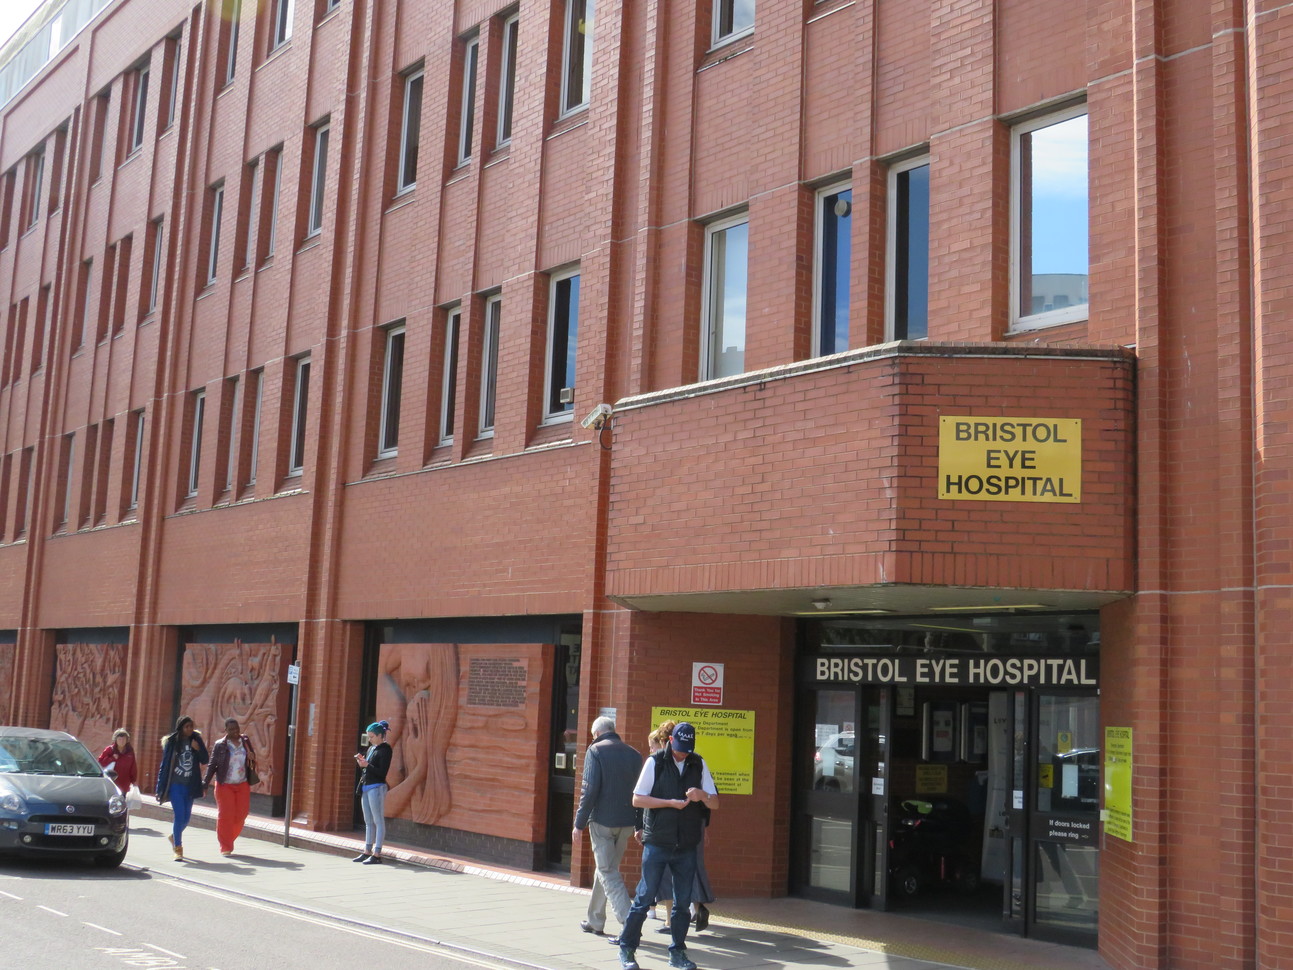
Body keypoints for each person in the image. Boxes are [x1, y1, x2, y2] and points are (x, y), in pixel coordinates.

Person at [617, 722, 719, 970]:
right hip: (658, 842)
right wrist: (669, 803)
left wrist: (702, 796)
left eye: (688, 748)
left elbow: (715, 803)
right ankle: (627, 949)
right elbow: (637, 798)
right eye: (680, 747)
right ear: (670, 740)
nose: (683, 753)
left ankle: (678, 952)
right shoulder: (655, 762)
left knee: (682, 902)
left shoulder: (698, 763)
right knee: (644, 896)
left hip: (686, 844)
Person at [572, 715, 642, 937]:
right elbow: (640, 793)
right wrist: (639, 824)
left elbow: (589, 791)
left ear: (597, 734)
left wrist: (578, 823)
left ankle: (629, 923)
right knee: (605, 869)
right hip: (627, 823)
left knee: (607, 871)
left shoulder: (596, 751)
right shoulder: (634, 754)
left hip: (602, 821)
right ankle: (595, 921)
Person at [155, 715, 209, 861]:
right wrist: (160, 787)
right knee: (179, 816)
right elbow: (164, 765)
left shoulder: (196, 740)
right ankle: (178, 848)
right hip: (175, 785)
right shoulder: (172, 742)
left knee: (186, 818)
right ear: (181, 728)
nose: (190, 729)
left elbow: (205, 760)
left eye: (191, 726)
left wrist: (197, 749)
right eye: (187, 727)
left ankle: (174, 836)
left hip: (190, 785)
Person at [203, 717, 256, 857]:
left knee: (241, 814)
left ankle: (228, 838)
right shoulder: (220, 744)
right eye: (231, 729)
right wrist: (205, 783)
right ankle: (225, 846)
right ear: (225, 730)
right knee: (225, 815)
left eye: (237, 728)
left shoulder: (245, 741)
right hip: (224, 784)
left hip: (242, 783)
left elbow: (251, 759)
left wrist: (252, 756)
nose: (235, 732)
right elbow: (212, 765)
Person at [353, 719, 393, 864]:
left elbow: (382, 772)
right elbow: (368, 769)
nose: (369, 740)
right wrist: (362, 764)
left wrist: (367, 765)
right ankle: (367, 850)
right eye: (368, 737)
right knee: (368, 821)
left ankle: (377, 853)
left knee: (378, 820)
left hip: (377, 787)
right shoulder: (371, 749)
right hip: (366, 786)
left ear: (380, 735)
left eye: (372, 736)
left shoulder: (386, 749)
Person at [98, 728, 137, 795]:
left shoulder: (130, 751)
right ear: (115, 740)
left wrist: (134, 780)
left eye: (124, 739)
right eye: (119, 739)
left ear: (127, 740)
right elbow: (100, 762)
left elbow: (133, 766)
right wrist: (112, 758)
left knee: (121, 802)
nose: (122, 741)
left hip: (124, 783)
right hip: (111, 783)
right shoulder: (109, 749)